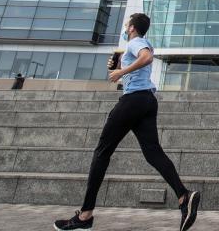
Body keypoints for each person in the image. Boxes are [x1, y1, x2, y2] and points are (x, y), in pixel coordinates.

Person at [54, 12, 201, 230]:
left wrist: (120, 71)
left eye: (126, 25)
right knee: (152, 152)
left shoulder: (137, 42)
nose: (124, 27)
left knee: (102, 152)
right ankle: (183, 196)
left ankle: (85, 216)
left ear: (132, 28)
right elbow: (139, 59)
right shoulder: (137, 44)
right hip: (148, 101)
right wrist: (118, 67)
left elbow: (146, 57)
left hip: (133, 101)